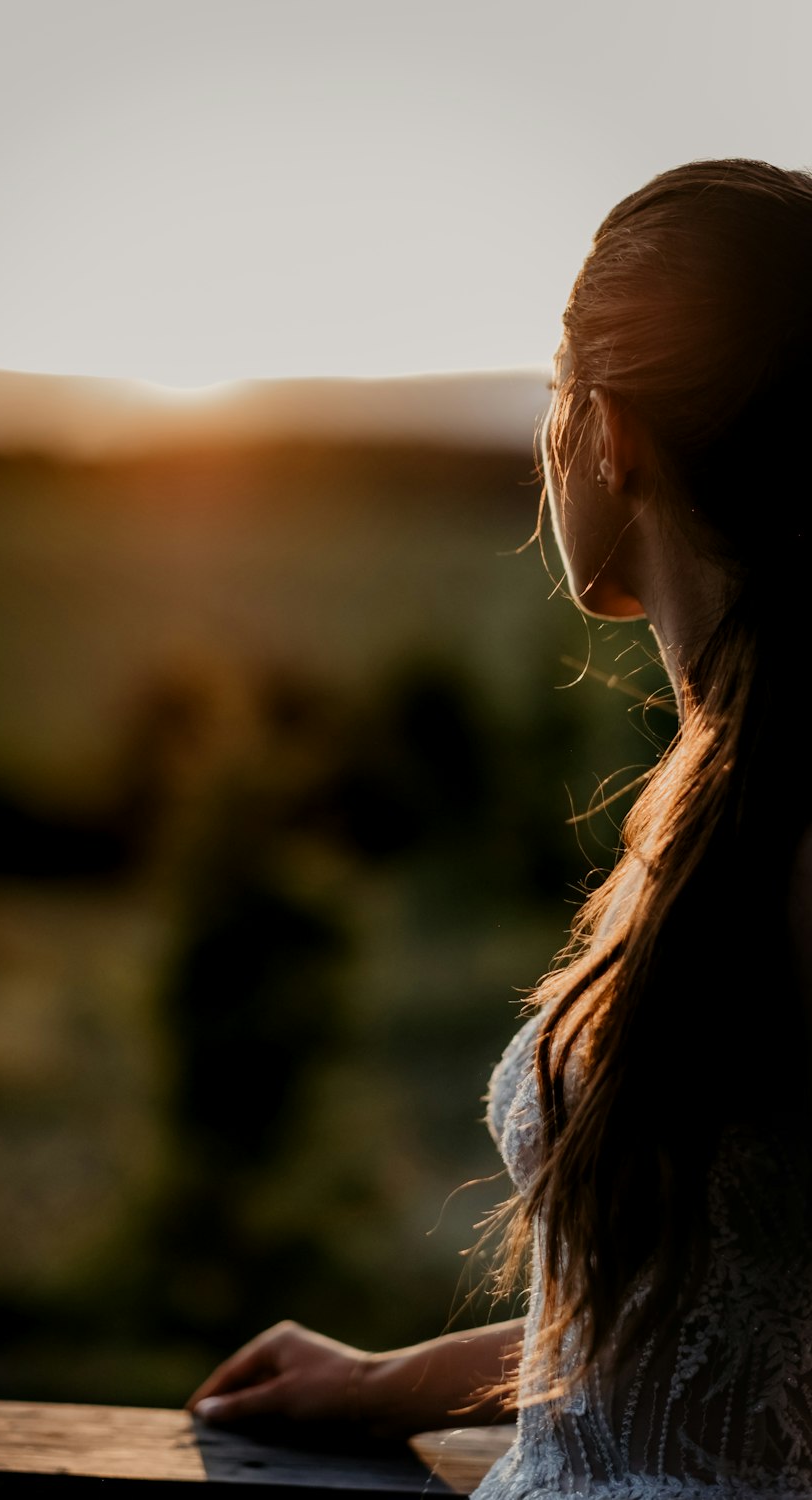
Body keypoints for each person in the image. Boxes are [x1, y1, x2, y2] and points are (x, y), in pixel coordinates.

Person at [187, 159, 812, 1498]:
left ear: (611, 435)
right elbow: (720, 1326)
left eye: (554, 388)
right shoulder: (732, 790)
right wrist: (393, 1380)